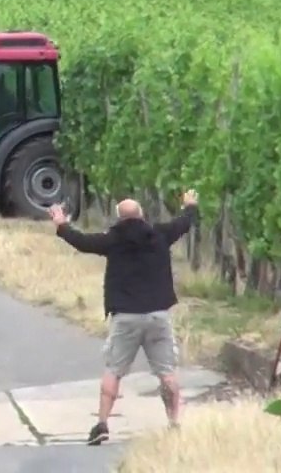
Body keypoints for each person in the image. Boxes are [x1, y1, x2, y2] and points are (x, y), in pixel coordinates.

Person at [48, 190, 199, 445]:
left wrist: (61, 224)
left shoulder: (112, 239)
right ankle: (174, 423)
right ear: (141, 215)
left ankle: (103, 423)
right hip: (158, 315)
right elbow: (183, 223)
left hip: (126, 316)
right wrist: (190, 206)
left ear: (119, 219)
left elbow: (82, 242)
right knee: (167, 373)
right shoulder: (160, 234)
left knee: (113, 371)